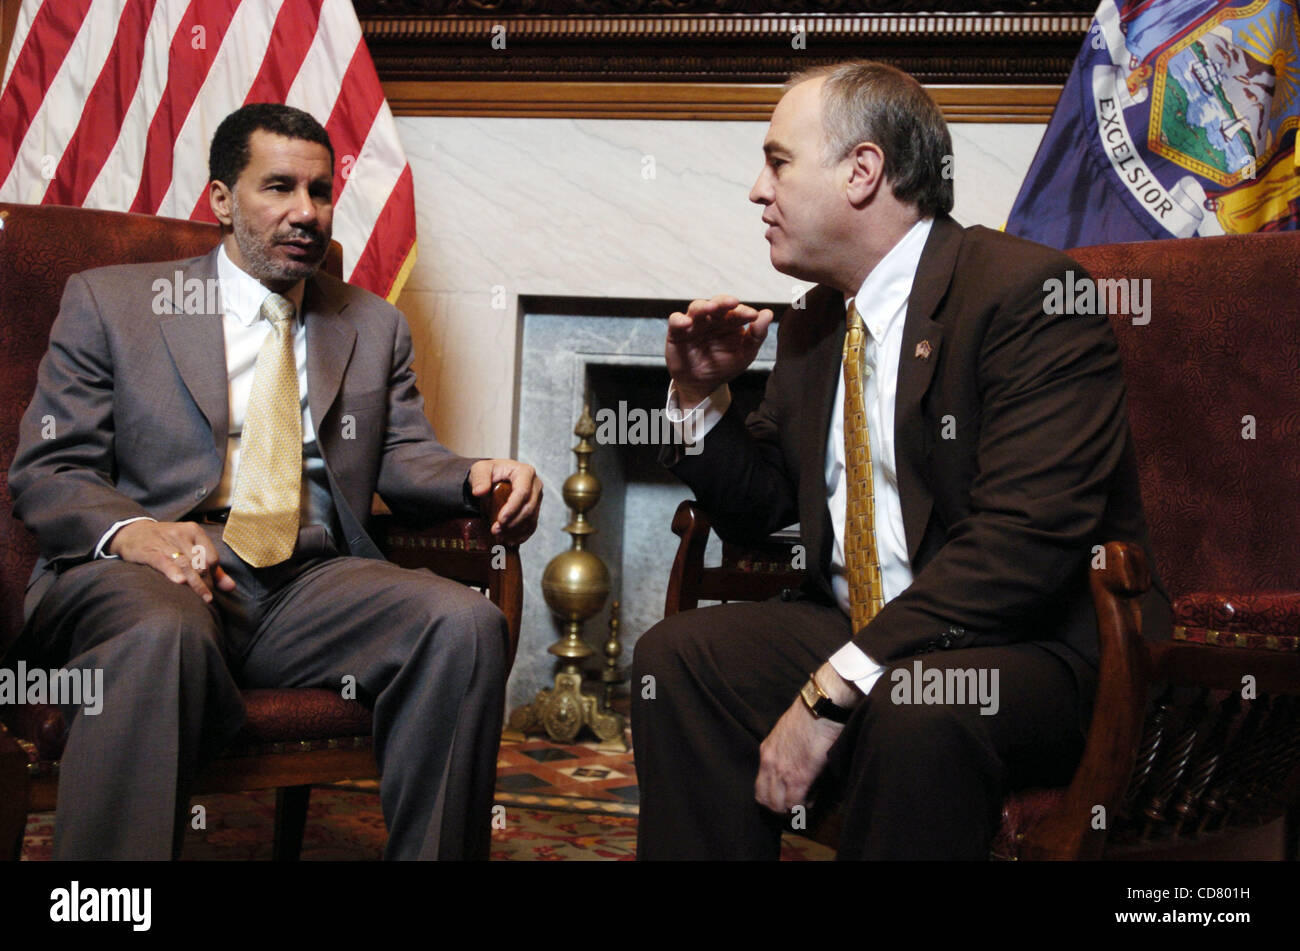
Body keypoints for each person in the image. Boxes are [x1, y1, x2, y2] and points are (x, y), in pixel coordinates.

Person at [631, 61, 1170, 860]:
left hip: (1029, 651)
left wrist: (836, 680)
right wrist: (697, 397)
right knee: (679, 659)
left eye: (777, 161)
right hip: (865, 627)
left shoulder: (1029, 297)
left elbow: (1023, 545)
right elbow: (762, 507)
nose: (755, 189)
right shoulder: (817, 324)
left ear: (863, 171)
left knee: (916, 704)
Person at [6, 103, 542, 860]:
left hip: (306, 581)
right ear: (222, 200)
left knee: (463, 625)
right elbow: (50, 469)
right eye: (279, 187)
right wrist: (135, 532)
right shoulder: (113, 303)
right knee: (163, 633)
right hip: (151, 571)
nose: (305, 213)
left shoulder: (370, 323)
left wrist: (477, 474)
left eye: (320, 192)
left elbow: (404, 456)